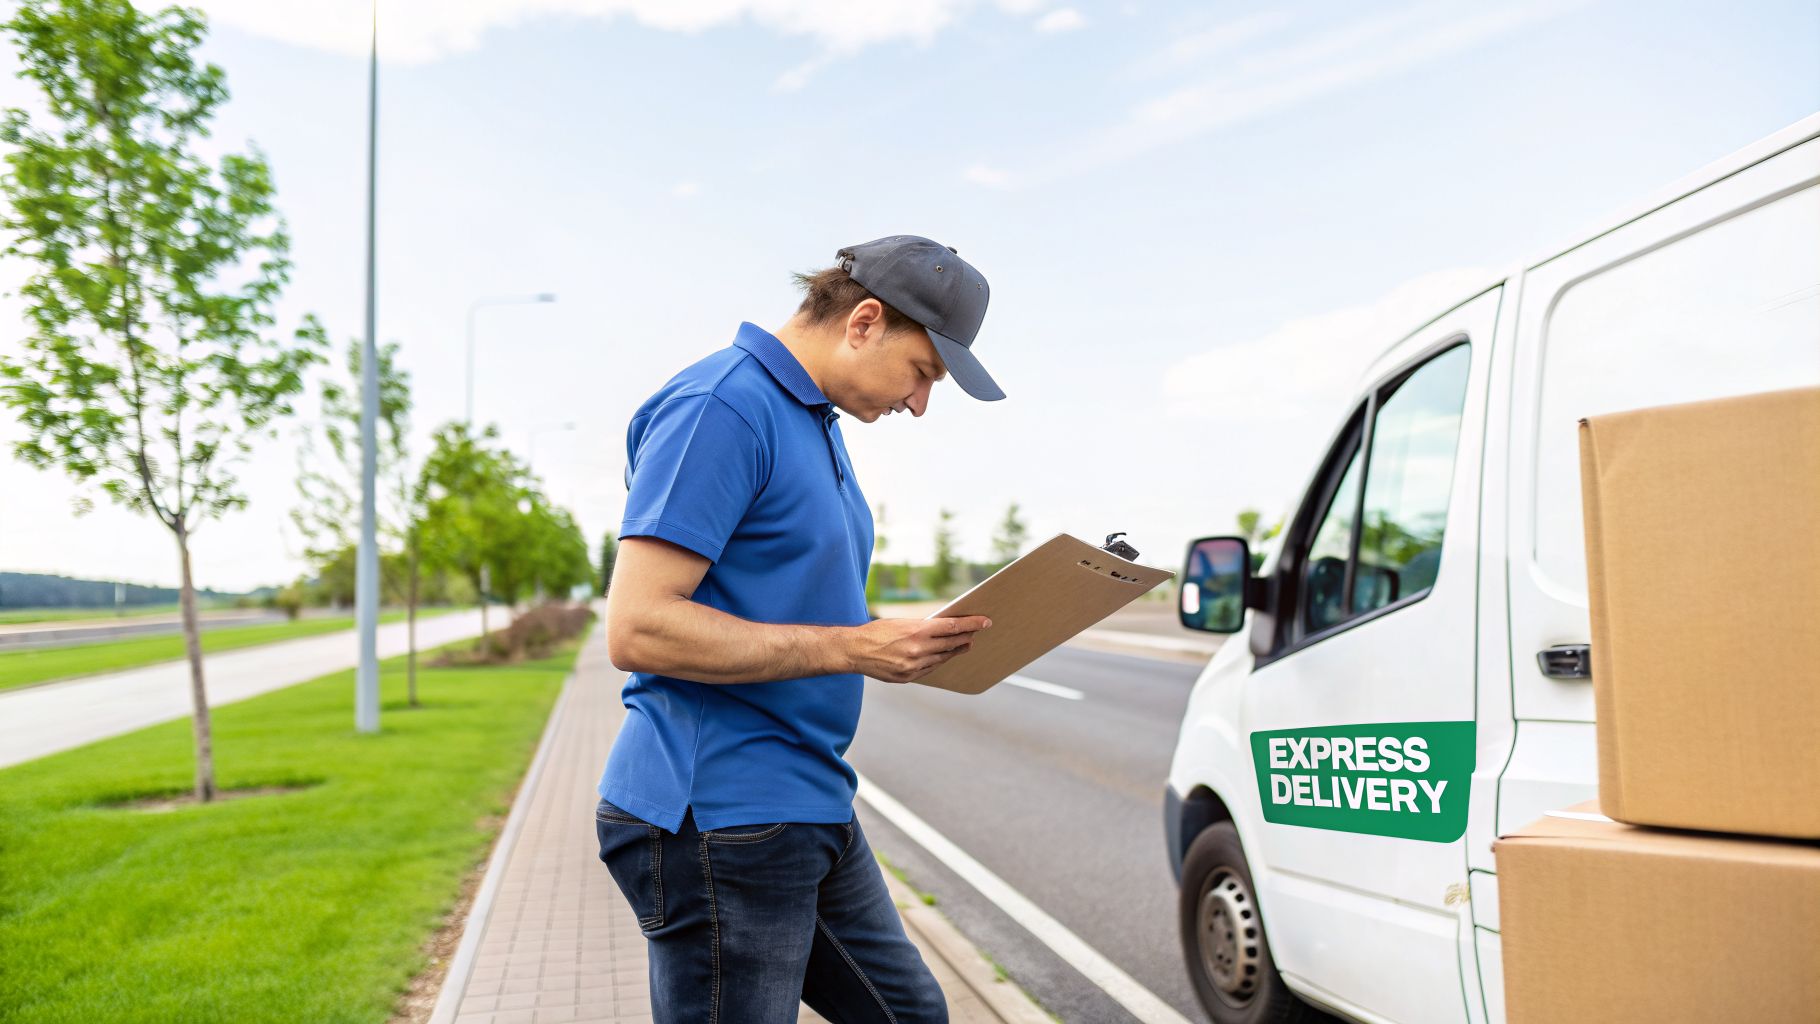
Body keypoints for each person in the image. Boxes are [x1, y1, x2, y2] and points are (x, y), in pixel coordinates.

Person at [594, 235, 1006, 1023]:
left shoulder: (814, 417)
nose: (921, 404)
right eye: (923, 374)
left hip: (807, 797)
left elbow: (784, 593)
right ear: (864, 322)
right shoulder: (721, 407)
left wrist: (895, 639)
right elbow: (639, 629)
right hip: (718, 813)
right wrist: (853, 647)